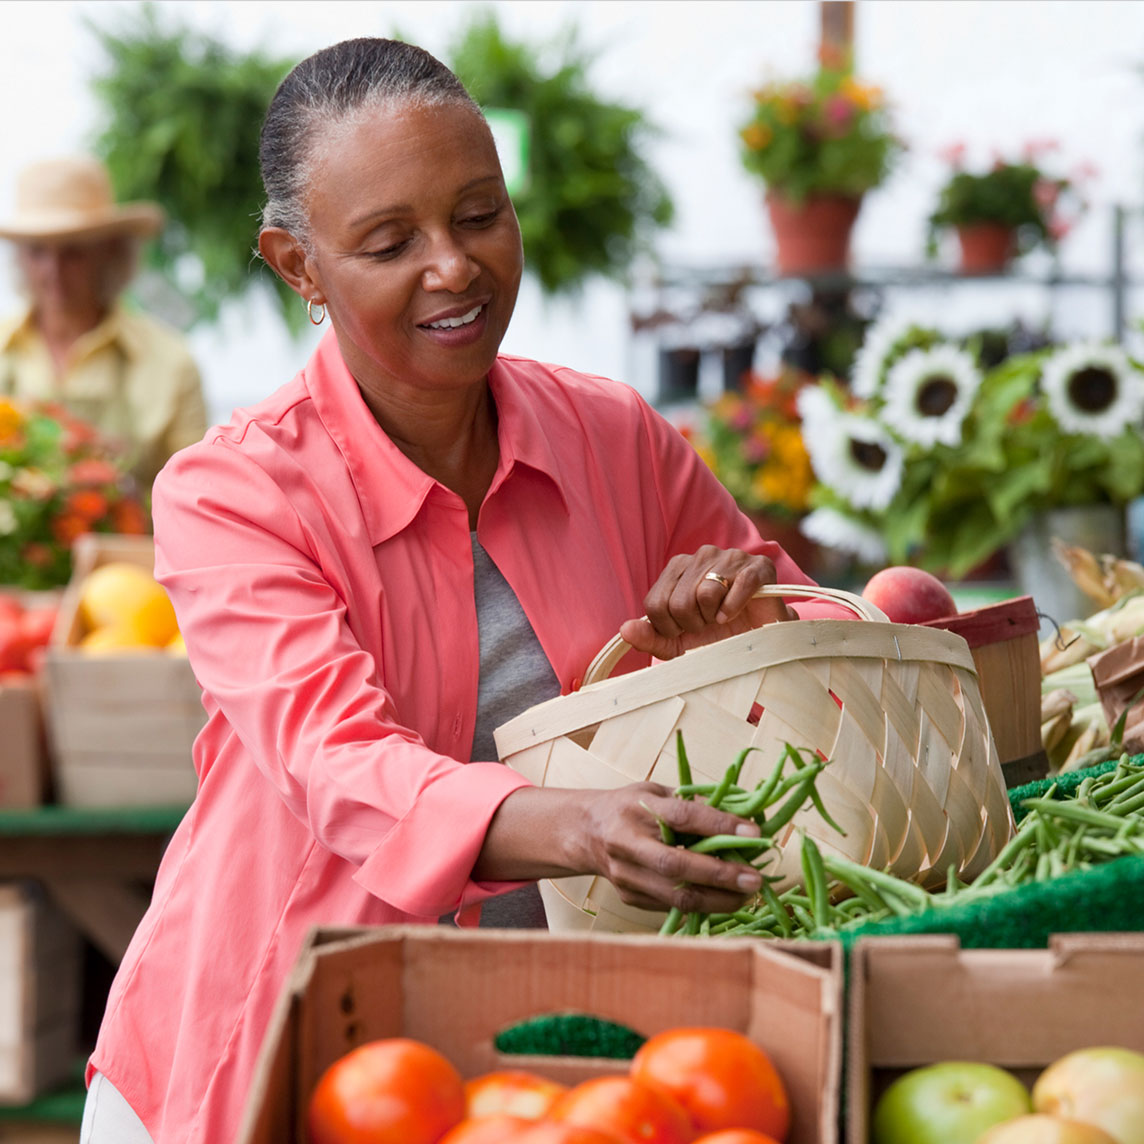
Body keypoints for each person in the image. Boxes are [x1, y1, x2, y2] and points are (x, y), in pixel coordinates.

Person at [81, 38, 832, 1144]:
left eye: (480, 215)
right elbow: (335, 760)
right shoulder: (234, 492)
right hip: (278, 1045)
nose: (453, 266)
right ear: (298, 266)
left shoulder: (612, 437)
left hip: (558, 1064)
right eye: (389, 242)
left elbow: (803, 647)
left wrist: (741, 628)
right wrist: (577, 825)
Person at [0, 155, 209, 490]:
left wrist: (122, 485)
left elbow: (199, 495)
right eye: (38, 252)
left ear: (110, 252)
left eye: (72, 252)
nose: (53, 272)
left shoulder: (171, 363)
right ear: (19, 258)